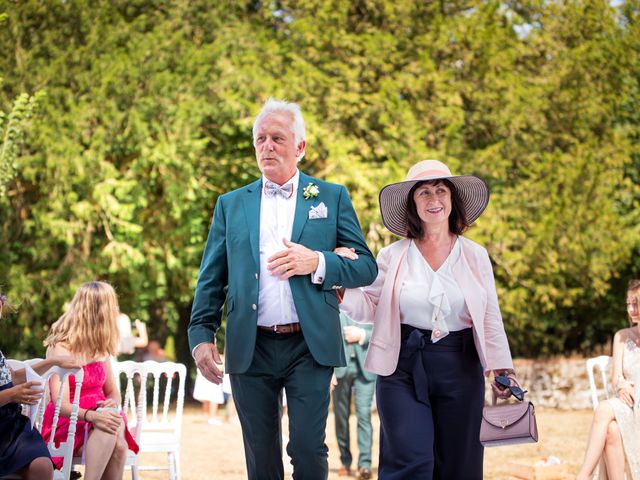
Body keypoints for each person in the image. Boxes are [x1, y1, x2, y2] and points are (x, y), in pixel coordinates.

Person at [188, 98, 378, 479]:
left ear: (300, 147)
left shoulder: (330, 196)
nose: (267, 146)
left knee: (308, 449)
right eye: (260, 139)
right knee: (261, 456)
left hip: (308, 346)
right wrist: (200, 333)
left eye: (277, 138)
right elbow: (212, 276)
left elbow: (366, 266)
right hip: (250, 346)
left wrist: (318, 262)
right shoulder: (230, 204)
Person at [336, 159, 519, 479]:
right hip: (402, 366)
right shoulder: (392, 255)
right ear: (412, 203)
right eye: (423, 192)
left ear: (452, 199)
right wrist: (340, 288)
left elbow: (490, 317)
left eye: (440, 190)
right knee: (410, 463)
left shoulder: (475, 255)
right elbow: (370, 306)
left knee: (459, 465)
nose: (433, 199)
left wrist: (502, 369)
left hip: (461, 366)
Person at [41, 281, 139, 480]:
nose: (115, 313)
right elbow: (61, 405)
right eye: (112, 307)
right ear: (98, 312)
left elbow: (112, 391)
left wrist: (111, 403)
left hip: (101, 416)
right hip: (70, 420)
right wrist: (93, 416)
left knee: (114, 431)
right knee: (116, 440)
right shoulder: (61, 347)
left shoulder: (100, 346)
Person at [0, 292, 80, 480]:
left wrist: (52, 361)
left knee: (42, 466)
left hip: (11, 426)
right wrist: (12, 395)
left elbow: (12, 376)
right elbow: (10, 389)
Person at [577, 279, 640, 480]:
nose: (631, 309)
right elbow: (615, 379)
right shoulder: (621, 336)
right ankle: (584, 476)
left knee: (605, 411)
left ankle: (583, 476)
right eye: (628, 304)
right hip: (627, 404)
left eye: (636, 303)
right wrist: (621, 384)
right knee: (611, 428)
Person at [331, 312, 375, 480]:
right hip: (340, 367)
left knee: (364, 416)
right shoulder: (335, 292)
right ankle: (345, 460)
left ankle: (364, 464)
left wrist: (362, 334)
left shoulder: (372, 291)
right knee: (341, 418)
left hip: (366, 367)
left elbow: (384, 330)